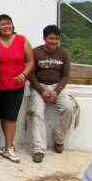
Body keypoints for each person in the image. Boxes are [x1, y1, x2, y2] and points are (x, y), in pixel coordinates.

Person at [29, 25, 72, 163]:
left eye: (56, 39)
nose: (54, 41)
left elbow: (65, 76)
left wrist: (56, 91)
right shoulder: (35, 52)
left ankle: (58, 138)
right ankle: (39, 149)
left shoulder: (64, 53)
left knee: (69, 109)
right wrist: (41, 91)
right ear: (44, 38)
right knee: (37, 112)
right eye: (51, 38)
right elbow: (30, 74)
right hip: (39, 86)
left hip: (57, 86)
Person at [0, 14, 34, 163]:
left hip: (16, 85)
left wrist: (24, 75)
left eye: (9, 23)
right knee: (3, 116)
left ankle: (9, 148)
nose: (6, 26)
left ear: (12, 25)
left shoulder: (22, 40)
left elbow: (30, 61)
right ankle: (7, 146)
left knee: (11, 116)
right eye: (3, 24)